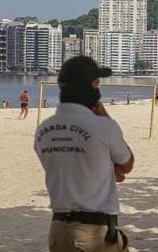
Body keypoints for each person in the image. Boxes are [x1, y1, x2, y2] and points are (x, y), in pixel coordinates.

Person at [34, 56, 134, 252]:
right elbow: (127, 164)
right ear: (94, 85)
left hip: (58, 231)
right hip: (94, 231)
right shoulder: (103, 126)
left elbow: (72, 164)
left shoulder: (43, 130)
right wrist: (103, 114)